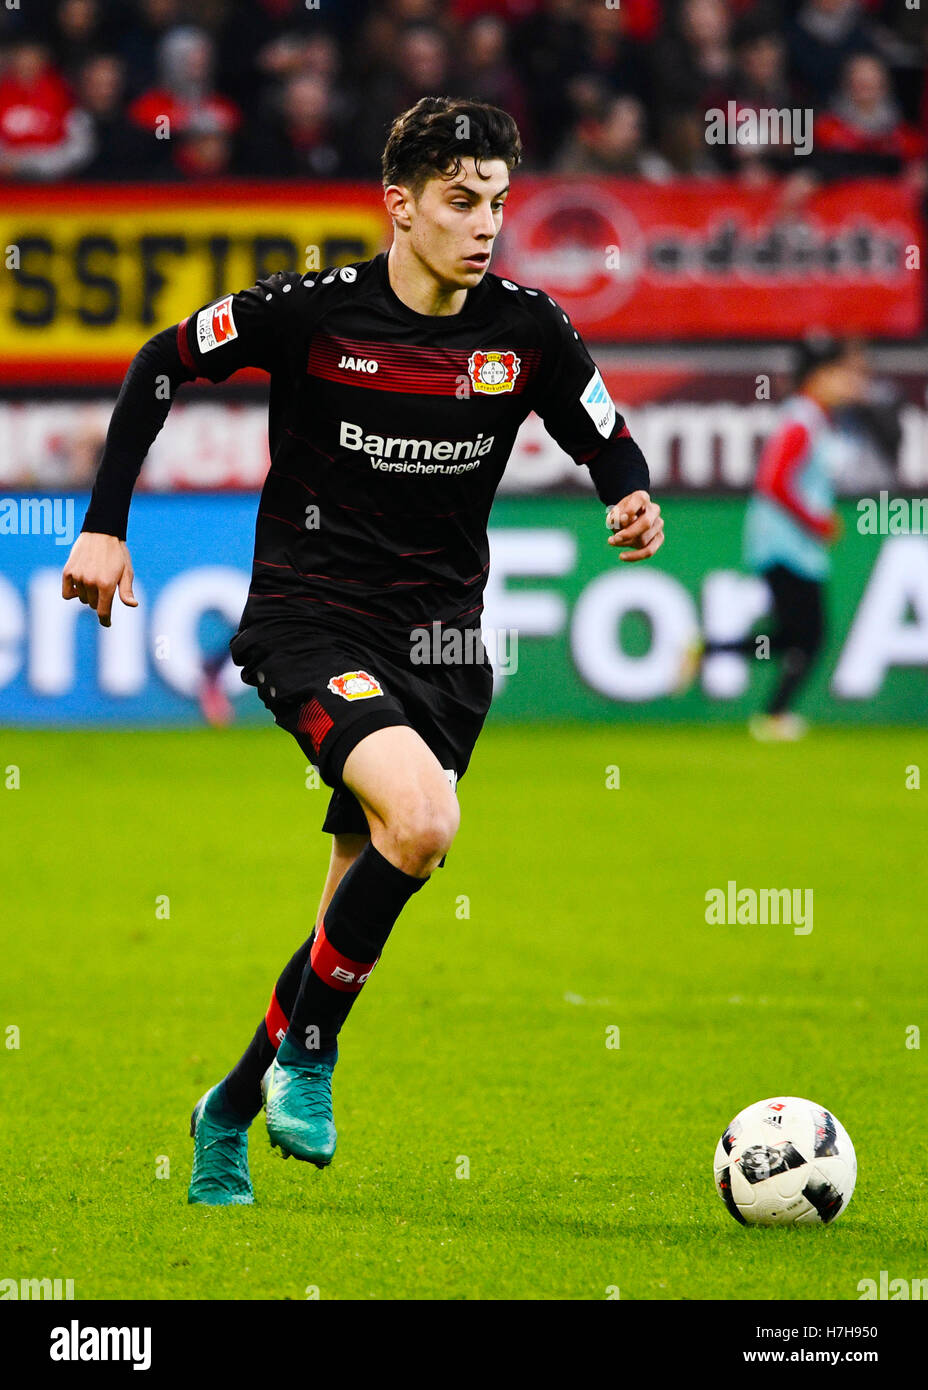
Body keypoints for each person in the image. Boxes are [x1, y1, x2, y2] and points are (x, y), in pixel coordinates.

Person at [61, 96, 664, 1206]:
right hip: (310, 621)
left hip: (439, 647)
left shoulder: (526, 331)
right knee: (427, 818)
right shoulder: (311, 314)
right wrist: (104, 523)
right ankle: (309, 1059)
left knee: (362, 895)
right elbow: (159, 362)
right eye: (459, 201)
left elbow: (603, 430)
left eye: (497, 203)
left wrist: (629, 493)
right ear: (400, 205)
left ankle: (227, 1108)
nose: (484, 225)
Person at [695, 336, 867, 740]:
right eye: (842, 375)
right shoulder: (803, 420)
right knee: (811, 634)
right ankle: (774, 716)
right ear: (819, 376)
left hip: (792, 543)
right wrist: (816, 521)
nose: (851, 383)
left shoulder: (817, 419)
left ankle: (710, 651)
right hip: (785, 544)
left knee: (792, 635)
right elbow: (773, 480)